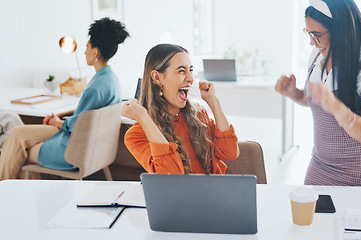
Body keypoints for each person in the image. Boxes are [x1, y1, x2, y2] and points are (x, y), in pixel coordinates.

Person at [275, 0, 361, 187]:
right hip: (321, 165)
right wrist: (293, 93)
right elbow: (314, 101)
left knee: (354, 218)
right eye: (308, 33)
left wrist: (337, 107)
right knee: (310, 215)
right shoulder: (318, 55)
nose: (311, 42)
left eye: (316, 34)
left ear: (341, 29)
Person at [0, 17, 129, 180]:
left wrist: (58, 122)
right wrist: (60, 121)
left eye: (86, 47)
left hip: (70, 149)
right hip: (83, 142)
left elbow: (78, 125)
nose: (84, 52)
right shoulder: (111, 79)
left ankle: (4, 192)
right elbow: (84, 119)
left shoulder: (96, 87)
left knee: (18, 147)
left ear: (95, 52)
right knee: (17, 133)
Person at [121, 44, 239, 174]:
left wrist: (213, 101)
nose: (190, 79)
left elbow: (230, 153)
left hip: (214, 192)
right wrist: (144, 118)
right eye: (181, 71)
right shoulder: (136, 135)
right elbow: (170, 176)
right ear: (157, 78)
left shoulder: (199, 115)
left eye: (191, 70)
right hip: (179, 195)